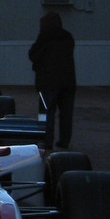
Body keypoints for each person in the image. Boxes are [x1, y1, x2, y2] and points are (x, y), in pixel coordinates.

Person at [28, 11, 77, 151]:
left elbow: (33, 55)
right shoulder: (67, 37)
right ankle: (64, 140)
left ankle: (46, 140)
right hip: (68, 81)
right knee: (66, 114)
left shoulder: (45, 38)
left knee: (47, 113)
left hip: (48, 81)